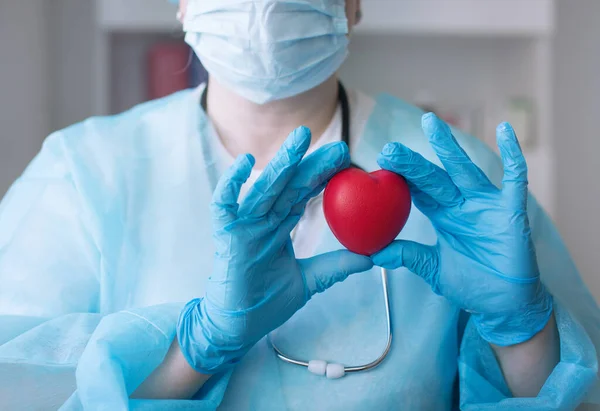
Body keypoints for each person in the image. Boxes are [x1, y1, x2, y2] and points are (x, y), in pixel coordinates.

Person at [0, 0, 598, 409]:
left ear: (354, 3)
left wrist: (522, 331)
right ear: (182, 1)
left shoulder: (461, 179)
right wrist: (195, 349)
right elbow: (23, 386)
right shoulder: (82, 173)